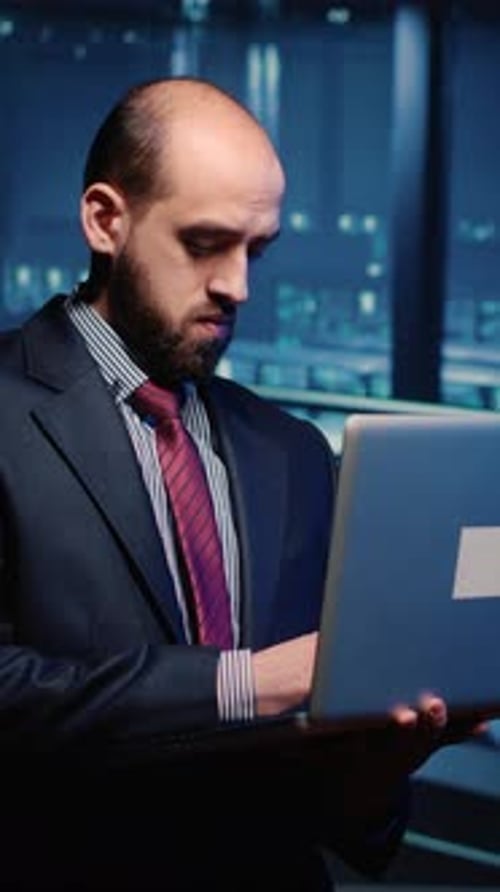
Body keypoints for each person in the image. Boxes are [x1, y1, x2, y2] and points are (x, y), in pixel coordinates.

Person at [0, 77, 484, 891]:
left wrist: (375, 767)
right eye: (204, 244)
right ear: (104, 220)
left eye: (255, 250)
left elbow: (332, 794)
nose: (238, 287)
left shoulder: (292, 451)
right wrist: (250, 683)